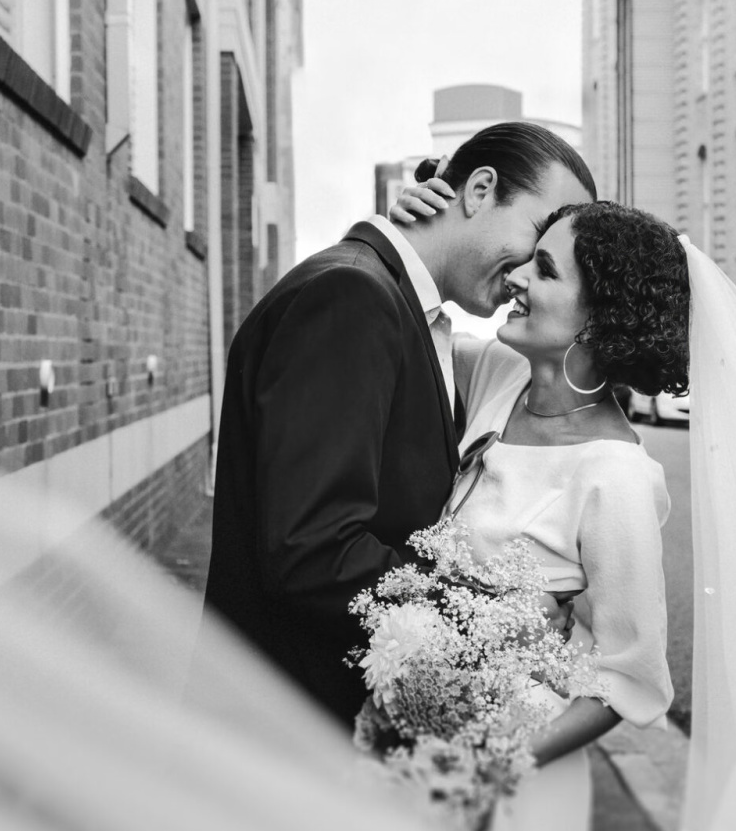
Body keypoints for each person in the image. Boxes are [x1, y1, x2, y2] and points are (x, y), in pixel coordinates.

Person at [203, 122, 597, 728]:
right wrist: (491, 617)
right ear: (479, 190)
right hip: (293, 726)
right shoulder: (350, 297)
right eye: (538, 238)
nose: (525, 277)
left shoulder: (401, 308)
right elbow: (313, 550)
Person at [394, 182, 685, 831]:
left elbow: (628, 681)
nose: (517, 278)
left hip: (521, 777)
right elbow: (414, 317)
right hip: (430, 742)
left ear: (598, 322)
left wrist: (497, 763)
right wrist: (412, 230)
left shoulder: (614, 478)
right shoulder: (501, 375)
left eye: (546, 270)